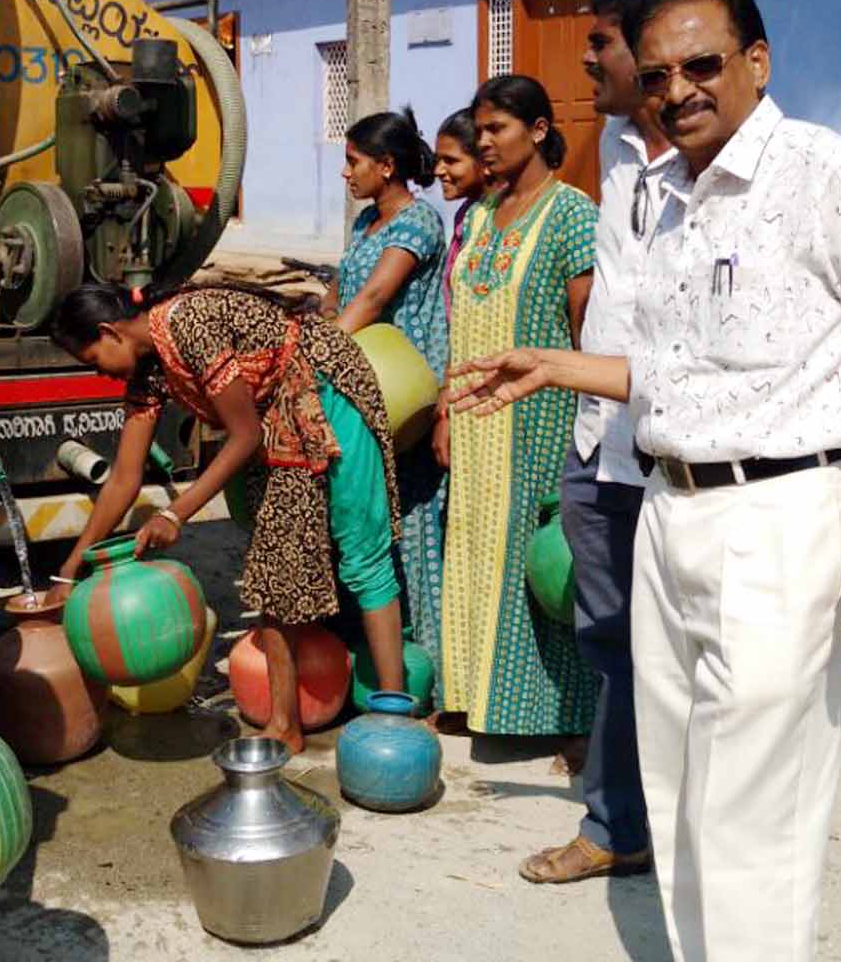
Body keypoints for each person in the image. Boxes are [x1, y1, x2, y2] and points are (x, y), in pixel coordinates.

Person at [450, 0, 841, 962]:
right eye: (657, 75)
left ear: (757, 61)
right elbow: (682, 374)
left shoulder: (829, 175)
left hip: (785, 517)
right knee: (680, 799)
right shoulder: (668, 197)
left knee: (755, 811)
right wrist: (554, 365)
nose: (677, 90)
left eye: (702, 65)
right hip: (670, 510)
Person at [49, 281, 405, 754]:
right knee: (275, 566)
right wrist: (69, 569)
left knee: (362, 549)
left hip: (323, 387)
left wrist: (174, 513)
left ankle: (395, 717)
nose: (99, 375)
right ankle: (285, 725)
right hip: (272, 413)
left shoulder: (189, 324)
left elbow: (244, 436)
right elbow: (124, 479)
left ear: (109, 332)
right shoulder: (147, 371)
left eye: (93, 361)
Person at [520, 0, 675, 887]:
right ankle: (618, 823)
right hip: (602, 441)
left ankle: (673, 822)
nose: (584, 62)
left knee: (686, 653)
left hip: (684, 452)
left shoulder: (717, 161)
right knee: (611, 640)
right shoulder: (614, 149)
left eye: (600, 43)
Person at [438, 75, 599, 739]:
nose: (484, 142)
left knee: (538, 563)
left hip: (540, 424)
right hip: (473, 423)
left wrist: (591, 431)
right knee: (473, 551)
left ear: (537, 130)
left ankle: (561, 716)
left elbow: (588, 332)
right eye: (478, 130)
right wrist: (445, 410)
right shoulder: (479, 215)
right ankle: (476, 696)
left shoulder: (572, 214)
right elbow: (456, 321)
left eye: (497, 128)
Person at [322, 107, 449, 684]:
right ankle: (370, 657)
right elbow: (339, 294)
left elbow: (373, 298)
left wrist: (315, 358)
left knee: (412, 523)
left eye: (354, 161)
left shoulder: (417, 223)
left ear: (387, 165)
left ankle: (424, 666)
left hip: (403, 392)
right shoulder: (366, 224)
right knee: (366, 521)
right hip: (359, 385)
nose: (346, 172)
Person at [434, 106, 492, 327]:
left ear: (484, 160)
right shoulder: (467, 213)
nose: (438, 170)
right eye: (438, 160)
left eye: (450, 161)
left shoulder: (498, 216)